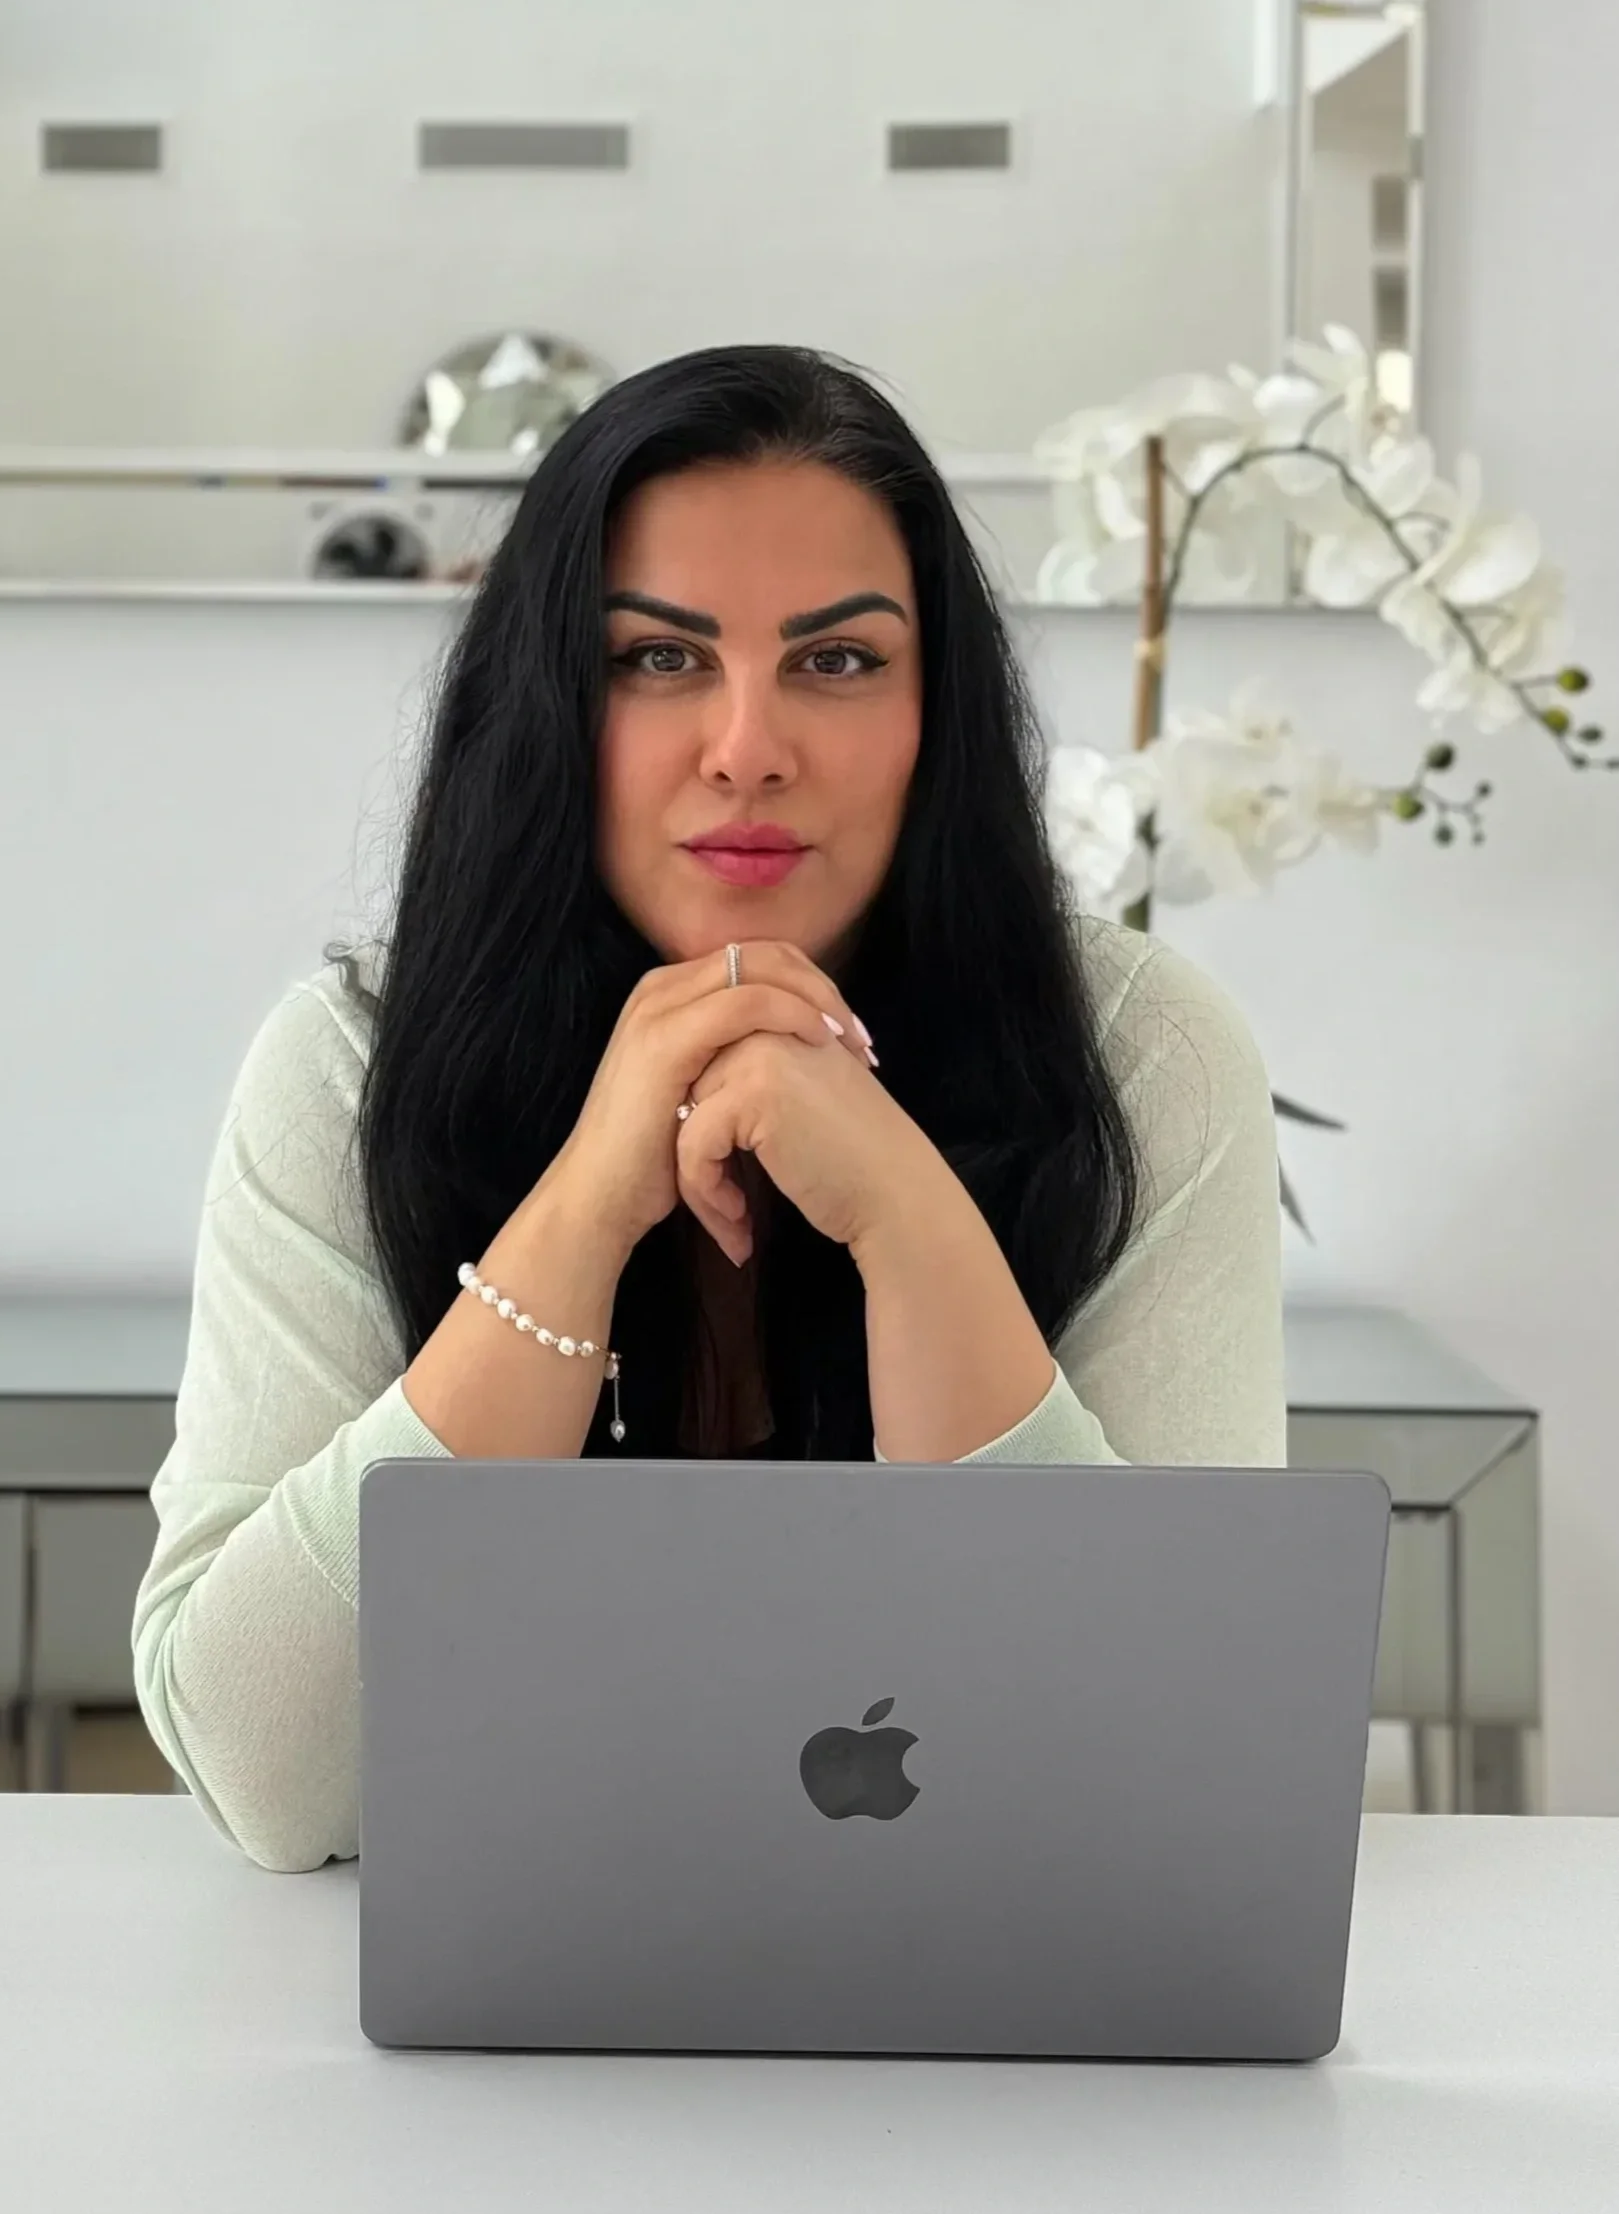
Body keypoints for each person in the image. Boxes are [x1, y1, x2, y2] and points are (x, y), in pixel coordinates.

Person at [133, 343, 1285, 1872]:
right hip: (486, 2046)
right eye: (657, 658)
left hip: (996, 2045)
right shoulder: (348, 1061)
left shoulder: (1143, 1056)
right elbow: (272, 1778)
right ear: (547, 703)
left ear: (937, 715)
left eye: (837, 659)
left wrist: (907, 1219)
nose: (747, 747)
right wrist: (579, 1215)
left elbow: (1166, 1776)